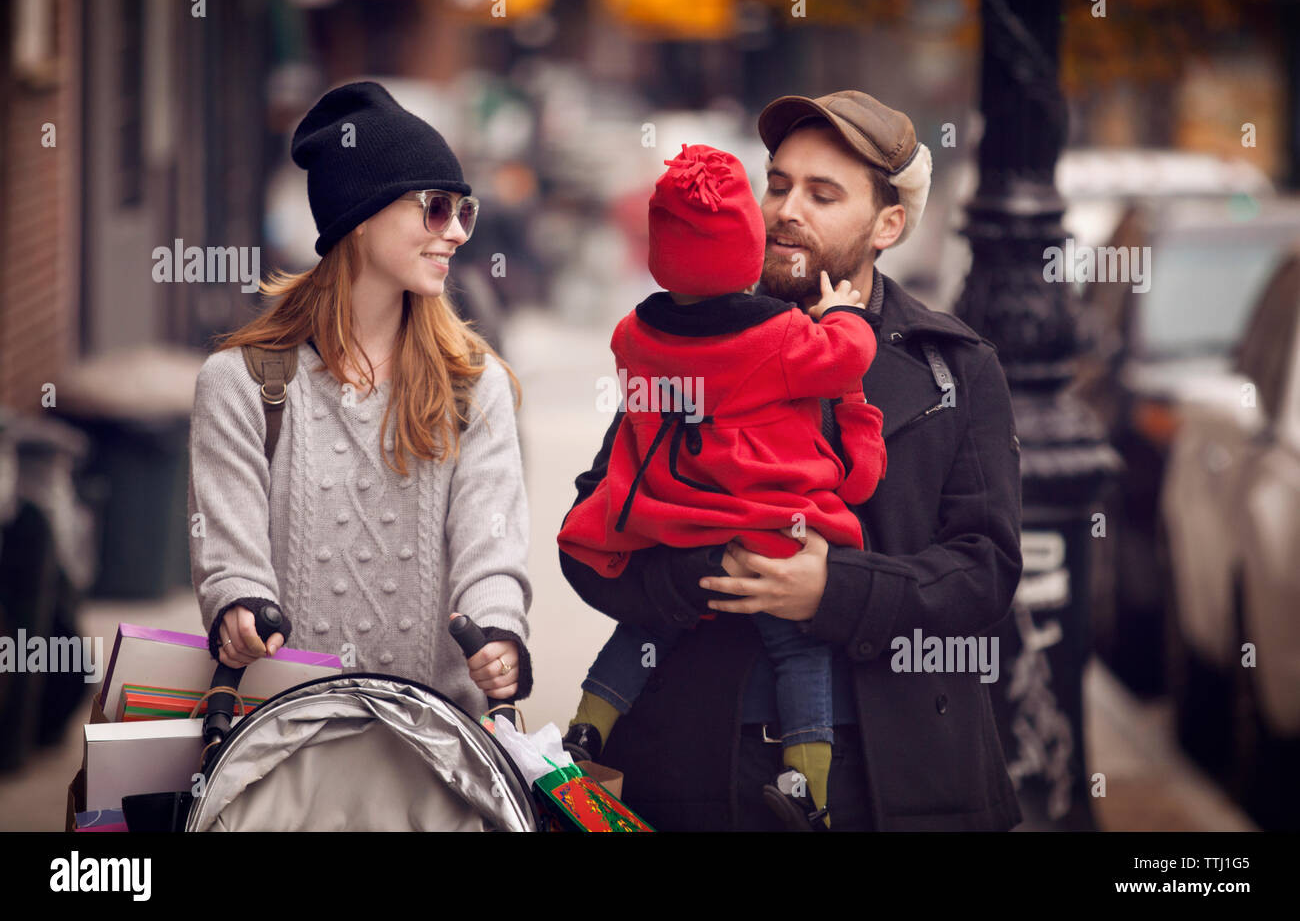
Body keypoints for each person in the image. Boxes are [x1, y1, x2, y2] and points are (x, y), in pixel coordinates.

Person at [559, 91, 1024, 831]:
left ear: (888, 224)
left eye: (822, 193)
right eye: (777, 184)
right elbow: (592, 542)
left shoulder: (954, 366)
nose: (785, 209)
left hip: (897, 781)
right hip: (698, 775)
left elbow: (986, 571)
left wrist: (832, 589)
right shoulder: (692, 339)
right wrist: (702, 570)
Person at [557, 144, 888, 829]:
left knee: (645, 630)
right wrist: (845, 312)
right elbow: (848, 354)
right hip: (769, 527)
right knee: (800, 649)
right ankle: (808, 787)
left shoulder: (634, 333)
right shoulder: (783, 335)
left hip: (673, 523)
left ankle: (588, 729)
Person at [188, 81, 533, 718]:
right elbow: (230, 556)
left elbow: (493, 550)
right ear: (362, 214)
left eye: (465, 211)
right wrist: (238, 603)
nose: (456, 232)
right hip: (283, 745)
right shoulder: (239, 384)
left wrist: (500, 633)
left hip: (439, 746)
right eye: (435, 208)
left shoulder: (474, 386)